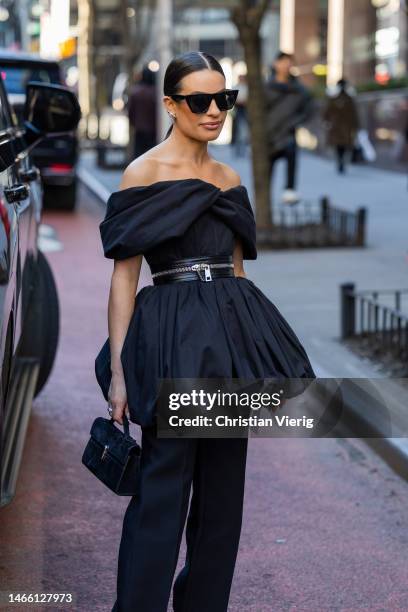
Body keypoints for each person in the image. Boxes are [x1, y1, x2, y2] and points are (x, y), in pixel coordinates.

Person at [94, 50, 316, 612]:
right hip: (171, 343)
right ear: (171, 105)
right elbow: (125, 278)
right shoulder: (142, 173)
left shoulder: (229, 176)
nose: (215, 110)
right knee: (161, 495)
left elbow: (237, 277)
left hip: (224, 346)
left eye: (225, 99)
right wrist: (121, 371)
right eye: (200, 100)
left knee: (222, 503)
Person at [265, 51, 314, 204]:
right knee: (266, 170)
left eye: (289, 62)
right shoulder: (265, 88)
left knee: (291, 156)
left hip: (288, 133)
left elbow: (308, 110)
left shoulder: (300, 90)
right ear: (275, 64)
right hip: (268, 135)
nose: (286, 66)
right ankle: (265, 199)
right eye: (283, 62)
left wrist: (294, 122)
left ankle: (290, 190)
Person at [323, 78, 360, 174]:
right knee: (340, 145)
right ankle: (340, 162)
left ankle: (341, 161)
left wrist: (356, 126)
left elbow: (353, 114)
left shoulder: (346, 99)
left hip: (343, 126)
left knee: (342, 145)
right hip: (340, 127)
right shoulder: (337, 99)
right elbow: (327, 112)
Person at [127, 64, 157, 159]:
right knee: (151, 155)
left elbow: (131, 112)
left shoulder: (135, 92)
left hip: (139, 130)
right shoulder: (155, 93)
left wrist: (134, 123)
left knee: (138, 157)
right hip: (153, 130)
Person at [231, 73, 248, 157]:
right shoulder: (235, 87)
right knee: (239, 130)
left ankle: (243, 149)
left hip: (246, 110)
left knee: (244, 131)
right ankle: (238, 150)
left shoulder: (247, 88)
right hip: (239, 110)